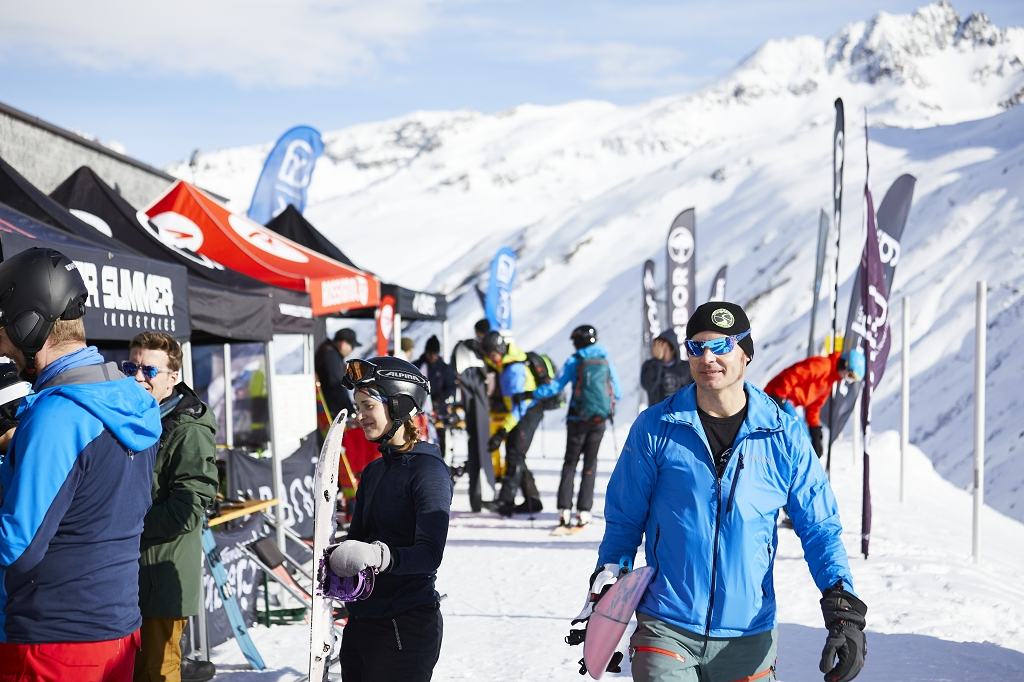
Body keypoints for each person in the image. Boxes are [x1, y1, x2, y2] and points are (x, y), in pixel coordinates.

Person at [591, 302, 866, 682]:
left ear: (746, 353)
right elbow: (624, 520)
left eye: (721, 346)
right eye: (696, 347)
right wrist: (607, 586)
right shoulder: (656, 427)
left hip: (749, 635)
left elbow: (820, 528)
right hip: (665, 626)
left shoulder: (784, 436)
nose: (707, 358)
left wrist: (842, 605)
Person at [0, 248, 162, 680]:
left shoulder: (58, 416)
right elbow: (89, 504)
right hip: (114, 633)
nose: (1, 345)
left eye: (2, 328)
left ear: (27, 323)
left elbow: (17, 548)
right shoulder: (132, 400)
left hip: (52, 642)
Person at [327, 357, 452, 682]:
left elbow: (429, 554)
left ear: (399, 404)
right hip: (361, 622)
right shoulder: (373, 471)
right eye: (357, 407)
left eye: (368, 405)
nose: (360, 416)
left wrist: (377, 555)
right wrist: (336, 558)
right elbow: (358, 539)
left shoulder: (428, 472)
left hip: (405, 625)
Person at [126, 332, 218, 682]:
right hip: (130, 575)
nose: (138, 377)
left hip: (160, 580)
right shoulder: (135, 415)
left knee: (157, 673)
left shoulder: (188, 428)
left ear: (172, 377)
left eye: (149, 370)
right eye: (131, 367)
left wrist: (124, 526)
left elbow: (187, 510)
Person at [531, 325, 622, 528]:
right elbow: (618, 391)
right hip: (599, 421)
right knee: (590, 464)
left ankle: (564, 510)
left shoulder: (575, 361)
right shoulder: (605, 360)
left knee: (570, 464)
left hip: (577, 420)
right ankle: (584, 511)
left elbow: (556, 386)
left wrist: (533, 393)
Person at [481, 331, 544, 517]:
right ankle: (533, 500)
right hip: (522, 413)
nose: (491, 359)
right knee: (516, 454)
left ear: (501, 350)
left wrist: (502, 432)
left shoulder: (514, 370)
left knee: (515, 454)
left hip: (528, 412)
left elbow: (519, 408)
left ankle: (505, 501)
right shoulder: (505, 364)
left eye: (493, 355)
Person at [764, 349, 866, 457]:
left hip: (786, 400)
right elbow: (795, 374)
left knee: (808, 443)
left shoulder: (829, 380)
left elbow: (814, 406)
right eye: (850, 376)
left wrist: (814, 430)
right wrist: (779, 395)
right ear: (844, 364)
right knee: (801, 438)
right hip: (778, 396)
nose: (847, 379)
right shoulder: (823, 366)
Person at [415, 335, 456, 455]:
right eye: (430, 353)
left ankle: (440, 459)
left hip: (438, 411)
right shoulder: (418, 366)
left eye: (436, 353)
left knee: (439, 438)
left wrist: (441, 399)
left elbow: (451, 387)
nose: (433, 356)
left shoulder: (444, 368)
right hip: (421, 411)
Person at [315, 329, 359, 420]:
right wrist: (349, 412)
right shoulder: (331, 356)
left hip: (326, 411)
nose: (352, 350)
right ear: (343, 344)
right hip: (331, 413)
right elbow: (336, 385)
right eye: (352, 346)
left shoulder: (327, 351)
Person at [640, 331, 693, 406]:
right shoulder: (649, 365)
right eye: (657, 348)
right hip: (658, 412)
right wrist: (657, 361)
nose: (660, 352)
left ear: (673, 350)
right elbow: (649, 386)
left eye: (664, 349)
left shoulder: (687, 367)